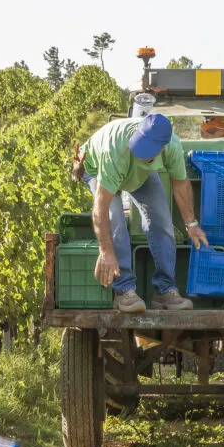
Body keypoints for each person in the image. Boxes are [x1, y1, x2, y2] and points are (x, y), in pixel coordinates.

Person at [79, 113, 206, 313]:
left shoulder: (172, 146)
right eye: (140, 145)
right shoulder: (117, 150)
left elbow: (180, 184)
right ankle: (124, 291)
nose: (140, 152)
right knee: (117, 222)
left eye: (147, 150)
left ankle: (165, 290)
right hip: (97, 168)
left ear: (163, 147)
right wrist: (105, 251)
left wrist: (191, 224)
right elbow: (101, 207)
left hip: (139, 174)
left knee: (162, 221)